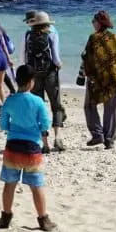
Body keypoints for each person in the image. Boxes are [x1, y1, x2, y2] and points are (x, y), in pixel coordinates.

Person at [0, 65, 57, 232]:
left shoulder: (9, 100)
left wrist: (12, 127)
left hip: (13, 148)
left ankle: (5, 217)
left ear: (17, 81)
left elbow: (3, 124)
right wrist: (38, 133)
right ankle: (43, 219)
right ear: (31, 82)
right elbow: (45, 124)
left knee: (9, 184)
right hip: (31, 149)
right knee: (36, 186)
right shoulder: (37, 101)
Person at [82, 10, 116, 150]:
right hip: (115, 78)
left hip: (100, 79)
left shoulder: (94, 38)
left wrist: (84, 75)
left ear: (99, 23)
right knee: (111, 109)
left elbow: (88, 59)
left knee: (89, 106)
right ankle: (109, 140)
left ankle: (97, 135)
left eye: (93, 21)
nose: (92, 24)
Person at [24, 11, 65, 153]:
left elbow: (25, 56)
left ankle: (45, 143)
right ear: (47, 23)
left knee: (38, 108)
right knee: (56, 105)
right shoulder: (52, 34)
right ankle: (58, 137)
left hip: (34, 75)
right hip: (50, 74)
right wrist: (59, 64)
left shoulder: (28, 35)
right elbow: (55, 58)